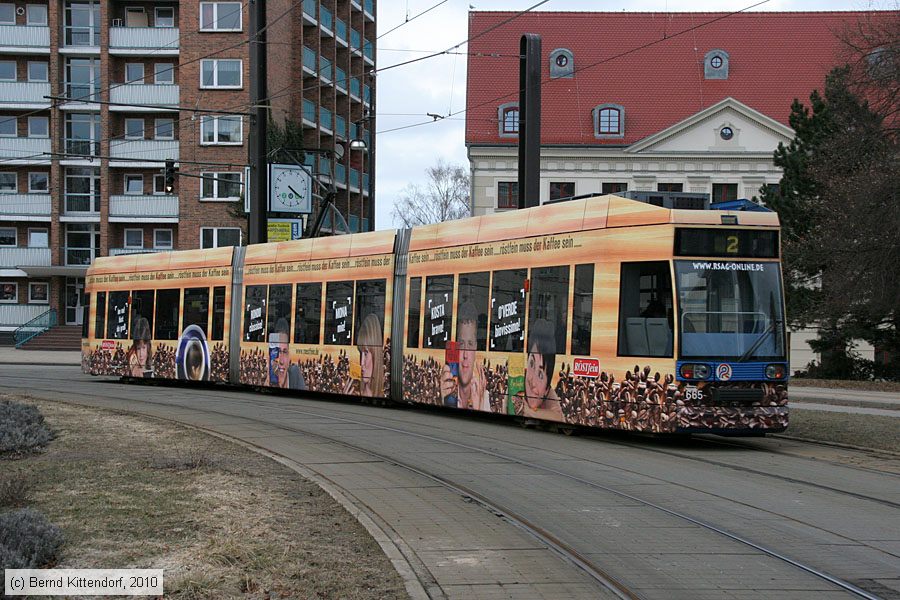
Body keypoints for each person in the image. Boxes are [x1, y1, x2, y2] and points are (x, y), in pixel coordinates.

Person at [441, 302, 490, 411]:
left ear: (476, 347)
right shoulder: (445, 391)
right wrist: (440, 400)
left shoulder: (485, 397)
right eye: (461, 344)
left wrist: (480, 407)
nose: (465, 355)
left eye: (470, 344)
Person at [523, 318, 562, 419]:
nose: (532, 381)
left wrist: (527, 410)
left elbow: (558, 417)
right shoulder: (515, 385)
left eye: (540, 374)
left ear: (547, 388)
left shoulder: (550, 395)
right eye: (531, 363)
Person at [269, 317, 306, 390]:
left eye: (285, 352)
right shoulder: (268, 375)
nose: (281, 361)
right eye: (278, 351)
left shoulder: (295, 373)